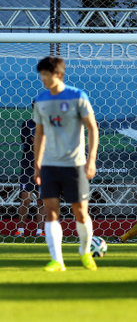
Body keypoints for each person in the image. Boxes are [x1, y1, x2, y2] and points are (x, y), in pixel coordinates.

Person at [34, 56, 99, 272]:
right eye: (41, 74)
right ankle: (57, 261)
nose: (42, 78)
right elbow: (39, 134)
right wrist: (37, 165)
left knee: (80, 212)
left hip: (75, 164)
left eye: (46, 74)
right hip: (50, 165)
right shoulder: (41, 100)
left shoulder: (78, 96)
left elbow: (92, 128)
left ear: (58, 75)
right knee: (50, 210)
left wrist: (91, 160)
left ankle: (84, 250)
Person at [13, 102, 45, 237]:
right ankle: (20, 230)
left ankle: (40, 231)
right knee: (25, 199)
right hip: (29, 167)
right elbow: (32, 143)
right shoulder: (28, 124)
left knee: (41, 200)